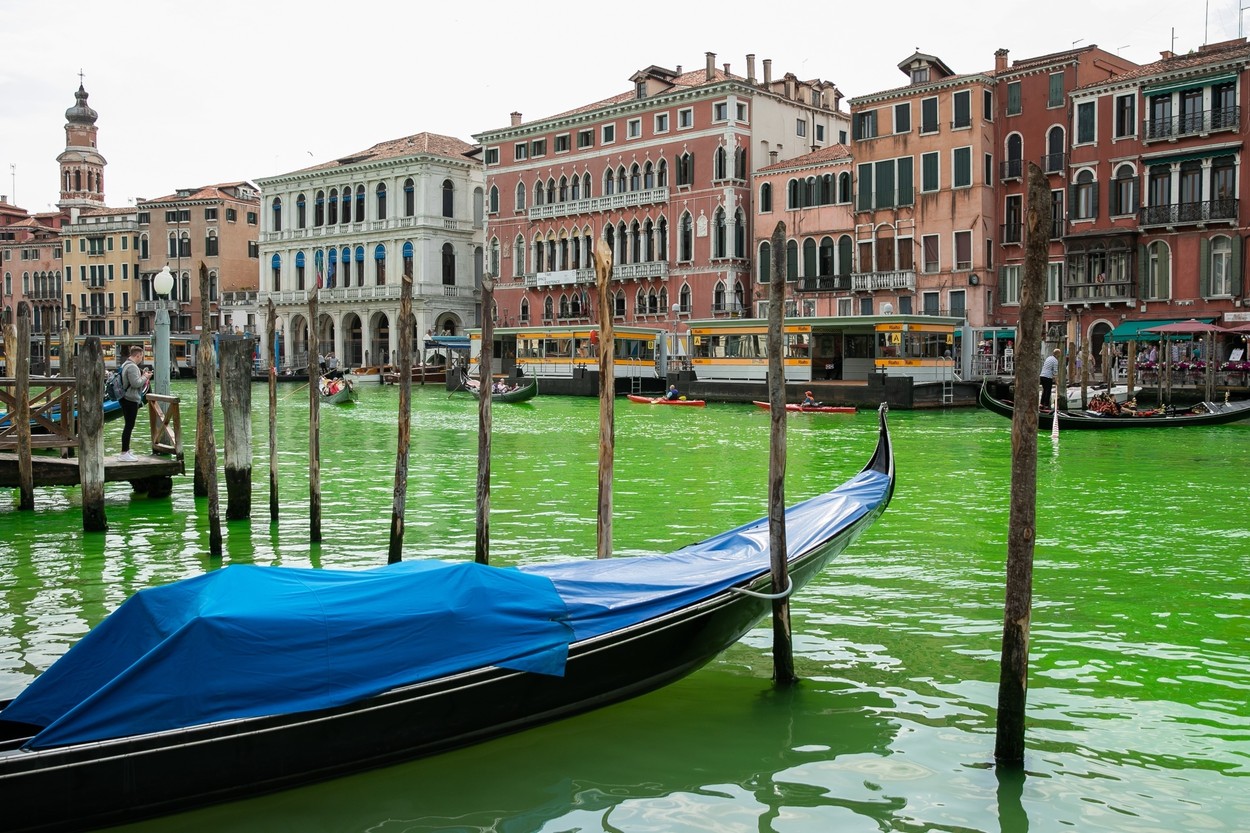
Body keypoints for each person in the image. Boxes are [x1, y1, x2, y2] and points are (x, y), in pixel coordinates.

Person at [117, 346, 151, 462]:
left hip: (125, 398)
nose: (141, 359)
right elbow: (136, 383)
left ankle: (126, 451)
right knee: (129, 426)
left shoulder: (125, 364)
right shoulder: (132, 367)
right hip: (130, 399)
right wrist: (145, 377)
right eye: (141, 356)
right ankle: (124, 452)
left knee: (128, 425)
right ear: (137, 355)